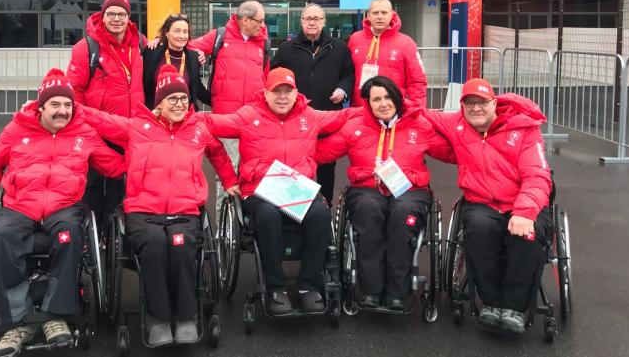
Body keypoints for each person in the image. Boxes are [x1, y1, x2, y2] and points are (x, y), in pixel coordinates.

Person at [77, 65, 239, 347]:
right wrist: (67, 105)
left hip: (185, 210)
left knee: (180, 246)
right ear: (159, 103)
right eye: (171, 99)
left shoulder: (198, 130)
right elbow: (101, 120)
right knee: (153, 246)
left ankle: (187, 316)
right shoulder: (136, 127)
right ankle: (160, 318)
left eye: (183, 99)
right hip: (144, 212)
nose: (178, 104)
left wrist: (230, 181)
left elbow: (218, 153)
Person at [0, 68, 124, 357]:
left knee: (69, 236)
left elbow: (116, 166)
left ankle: (56, 317)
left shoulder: (84, 133)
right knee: (3, 236)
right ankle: (16, 323)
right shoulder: (16, 129)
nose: (62, 111)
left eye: (67, 105)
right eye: (55, 105)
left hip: (64, 206)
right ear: (40, 106)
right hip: (20, 205)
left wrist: (150, 146)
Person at [202, 68, 354, 315]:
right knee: (268, 216)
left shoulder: (310, 115)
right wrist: (177, 114)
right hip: (260, 189)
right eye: (277, 91)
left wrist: (380, 107)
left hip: (295, 188)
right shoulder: (248, 115)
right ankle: (275, 288)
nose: (282, 97)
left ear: (296, 93)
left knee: (320, 214)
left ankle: (309, 286)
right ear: (266, 93)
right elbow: (211, 123)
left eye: (288, 91)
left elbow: (345, 116)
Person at [423, 78, 553, 334]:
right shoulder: (457, 124)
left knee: (526, 235)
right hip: (481, 202)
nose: (476, 108)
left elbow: (537, 175)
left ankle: (514, 307)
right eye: (469, 103)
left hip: (522, 202)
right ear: (461, 107)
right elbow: (420, 113)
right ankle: (492, 303)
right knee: (479, 230)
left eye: (482, 102)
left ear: (494, 103)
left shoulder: (524, 127)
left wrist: (524, 212)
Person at [314, 76, 453, 311]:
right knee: (368, 212)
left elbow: (455, 153)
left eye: (388, 97)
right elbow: (320, 153)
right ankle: (371, 290)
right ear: (367, 103)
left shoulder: (420, 126)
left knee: (403, 215)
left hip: (410, 191)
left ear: (398, 98)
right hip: (367, 188)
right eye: (376, 99)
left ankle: (397, 293)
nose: (383, 104)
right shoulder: (354, 127)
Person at [66, 0, 145, 226]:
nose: (116, 19)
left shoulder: (139, 42)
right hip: (97, 129)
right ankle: (93, 237)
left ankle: (115, 239)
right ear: (103, 15)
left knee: (121, 188)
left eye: (121, 14)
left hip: (128, 130)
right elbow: (74, 90)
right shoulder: (86, 47)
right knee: (92, 188)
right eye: (111, 13)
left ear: (128, 17)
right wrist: (80, 123)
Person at [188, 0, 270, 214]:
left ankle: (249, 223)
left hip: (255, 120)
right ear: (244, 19)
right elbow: (187, 46)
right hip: (226, 119)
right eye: (259, 21)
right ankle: (227, 224)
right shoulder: (220, 36)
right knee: (228, 172)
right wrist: (197, 55)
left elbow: (267, 79)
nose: (262, 26)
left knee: (255, 172)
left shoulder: (263, 43)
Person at [271, 3, 354, 205]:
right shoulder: (286, 48)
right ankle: (295, 206)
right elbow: (273, 76)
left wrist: (342, 90)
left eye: (317, 19)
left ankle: (325, 205)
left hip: (327, 115)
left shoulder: (339, 47)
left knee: (326, 165)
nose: (312, 23)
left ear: (324, 22)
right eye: (308, 19)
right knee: (295, 162)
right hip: (294, 117)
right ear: (301, 22)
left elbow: (349, 74)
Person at [348, 0, 427, 108]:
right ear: (368, 16)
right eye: (375, 13)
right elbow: (347, 74)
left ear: (391, 15)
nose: (380, 16)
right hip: (360, 107)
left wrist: (418, 111)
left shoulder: (406, 43)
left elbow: (417, 81)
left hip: (391, 108)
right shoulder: (355, 39)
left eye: (384, 13)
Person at [142, 13, 210, 110]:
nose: (182, 36)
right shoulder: (151, 53)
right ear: (166, 32)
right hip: (156, 116)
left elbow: (197, 88)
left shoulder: (194, 58)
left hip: (183, 115)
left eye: (185, 32)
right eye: (177, 31)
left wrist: (218, 100)